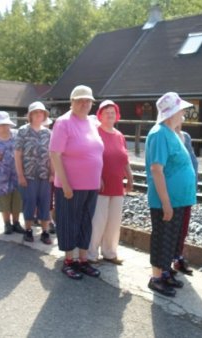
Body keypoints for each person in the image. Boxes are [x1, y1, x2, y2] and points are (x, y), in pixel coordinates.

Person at [49, 85, 104, 280]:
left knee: (85, 222)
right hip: (70, 185)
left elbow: (96, 151)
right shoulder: (63, 123)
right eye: (80, 100)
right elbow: (55, 154)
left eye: (88, 100)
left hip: (91, 185)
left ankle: (83, 260)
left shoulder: (91, 122)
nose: (84, 103)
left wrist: (100, 178)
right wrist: (65, 184)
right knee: (68, 223)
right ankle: (69, 261)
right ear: (72, 102)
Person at [145, 92, 197, 297]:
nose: (184, 112)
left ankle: (165, 272)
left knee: (171, 239)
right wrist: (166, 203)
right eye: (181, 109)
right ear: (172, 112)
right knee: (162, 238)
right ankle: (156, 277)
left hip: (179, 199)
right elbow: (157, 170)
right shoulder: (159, 133)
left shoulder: (171, 132)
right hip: (167, 200)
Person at [87, 100, 133, 265]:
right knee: (98, 220)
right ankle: (91, 254)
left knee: (114, 221)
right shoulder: (95, 132)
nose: (110, 115)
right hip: (100, 184)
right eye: (106, 112)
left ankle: (110, 252)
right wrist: (97, 176)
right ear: (100, 115)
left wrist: (130, 177)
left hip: (117, 185)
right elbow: (91, 157)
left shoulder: (119, 135)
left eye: (113, 112)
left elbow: (124, 158)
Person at [14, 101, 53, 244]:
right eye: (35, 112)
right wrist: (20, 175)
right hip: (28, 175)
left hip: (44, 175)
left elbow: (51, 155)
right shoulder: (22, 131)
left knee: (45, 203)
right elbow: (17, 154)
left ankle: (45, 232)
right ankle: (29, 230)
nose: (39, 115)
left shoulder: (48, 133)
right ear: (30, 115)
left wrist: (52, 173)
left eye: (41, 112)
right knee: (29, 203)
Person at [172, 123, 198, 275]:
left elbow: (193, 162)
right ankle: (165, 262)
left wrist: (193, 185)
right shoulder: (165, 136)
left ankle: (178, 257)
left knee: (183, 227)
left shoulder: (186, 136)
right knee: (170, 228)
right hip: (172, 189)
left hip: (186, 189)